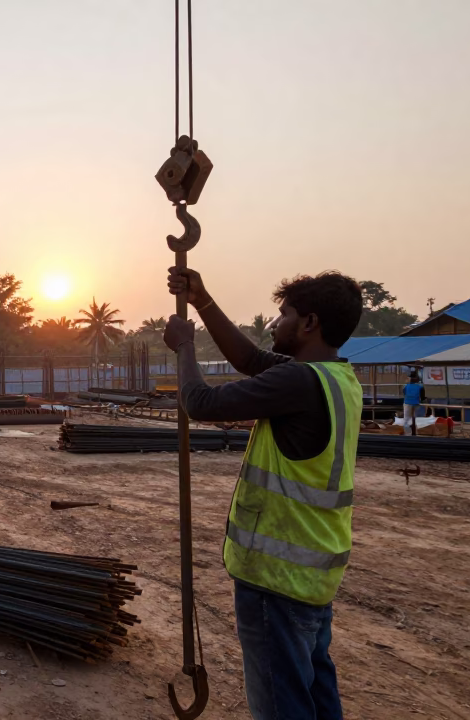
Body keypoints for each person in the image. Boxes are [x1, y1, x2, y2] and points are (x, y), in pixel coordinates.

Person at [164, 267, 364, 720]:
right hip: (312, 573)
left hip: (277, 578)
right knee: (315, 694)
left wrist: (185, 347)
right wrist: (202, 300)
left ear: (309, 322)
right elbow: (249, 359)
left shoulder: (298, 382)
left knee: (281, 704)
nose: (275, 324)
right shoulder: (335, 378)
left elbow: (200, 403)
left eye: (284, 314)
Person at [402, 371, 425, 436]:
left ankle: (408, 434)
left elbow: (404, 393)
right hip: (417, 403)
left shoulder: (406, 386)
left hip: (407, 403)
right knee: (417, 418)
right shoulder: (420, 386)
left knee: (407, 419)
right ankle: (418, 432)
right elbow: (422, 397)